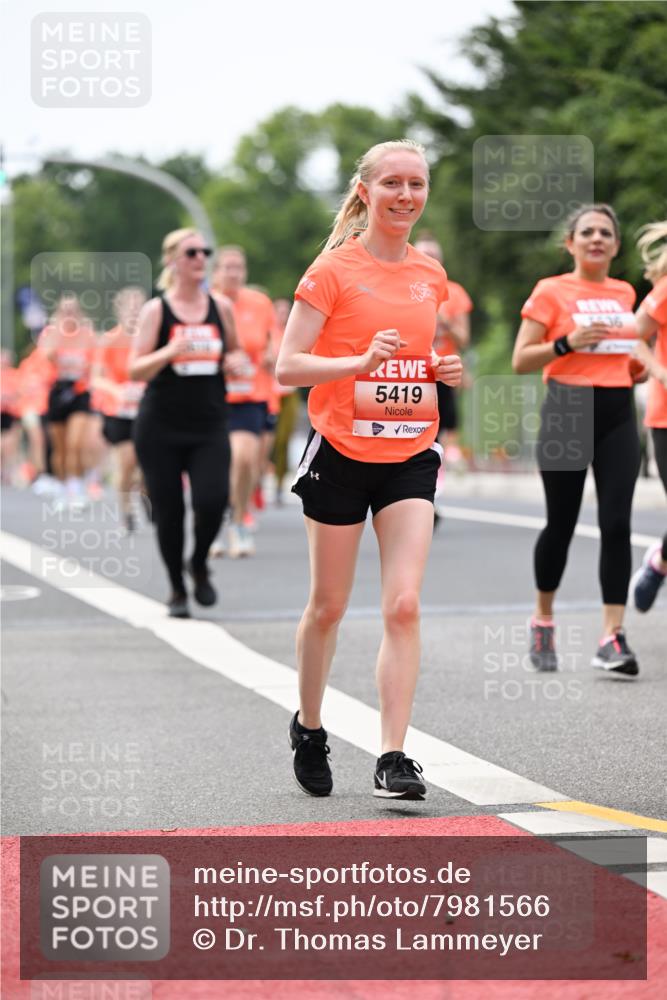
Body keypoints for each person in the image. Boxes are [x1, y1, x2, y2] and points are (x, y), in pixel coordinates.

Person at [276, 139, 463, 800]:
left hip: (409, 449)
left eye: (416, 184)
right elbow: (286, 366)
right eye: (392, 183)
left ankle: (393, 755)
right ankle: (309, 725)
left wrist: (442, 370)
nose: (405, 195)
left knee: (403, 604)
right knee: (327, 606)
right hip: (340, 450)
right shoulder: (332, 269)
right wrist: (353, 366)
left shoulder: (429, 275)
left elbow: (415, 356)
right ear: (365, 192)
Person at [512, 204, 642, 676]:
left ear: (616, 245)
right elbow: (521, 359)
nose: (596, 239)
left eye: (606, 232)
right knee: (561, 523)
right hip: (567, 408)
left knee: (617, 523)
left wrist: (637, 368)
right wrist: (568, 343)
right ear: (570, 243)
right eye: (586, 232)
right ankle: (543, 618)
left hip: (617, 412)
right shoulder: (551, 290)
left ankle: (612, 636)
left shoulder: (626, 292)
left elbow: (624, 357)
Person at [130, 228, 239, 618]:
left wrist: (234, 361)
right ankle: (177, 587)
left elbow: (236, 350)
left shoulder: (220, 307)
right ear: (172, 260)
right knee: (170, 511)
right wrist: (169, 351)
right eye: (191, 252)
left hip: (209, 422)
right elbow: (135, 369)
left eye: (204, 251)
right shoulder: (157, 311)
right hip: (160, 426)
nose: (200, 258)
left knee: (213, 500)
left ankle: (198, 564)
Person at [210, 247, 279, 557]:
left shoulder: (259, 303)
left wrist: (271, 354)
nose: (233, 273)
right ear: (216, 272)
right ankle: (213, 521)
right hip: (212, 395)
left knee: (246, 459)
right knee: (214, 464)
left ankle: (238, 520)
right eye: (227, 267)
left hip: (251, 394)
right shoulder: (207, 302)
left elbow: (274, 339)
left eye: (238, 267)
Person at [630, 220, 667, 611]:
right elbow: (633, 335)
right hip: (665, 417)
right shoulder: (665, 291)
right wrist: (659, 372)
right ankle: (658, 565)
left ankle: (660, 562)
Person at [413, 232, 473, 467]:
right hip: (410, 371)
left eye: (434, 256)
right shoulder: (400, 287)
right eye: (425, 255)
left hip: (442, 371)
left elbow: (464, 339)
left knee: (439, 434)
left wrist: (444, 321)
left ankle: (432, 491)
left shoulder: (454, 292)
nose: (430, 261)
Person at [92, 287, 147, 533]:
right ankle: (126, 514)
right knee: (126, 463)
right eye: (130, 308)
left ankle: (146, 493)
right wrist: (117, 390)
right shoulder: (110, 340)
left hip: (148, 410)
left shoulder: (152, 339)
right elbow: (96, 379)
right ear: (119, 311)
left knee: (148, 464)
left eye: (139, 307)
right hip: (119, 411)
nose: (135, 313)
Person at [40, 295, 97, 508]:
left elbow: (94, 362)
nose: (69, 315)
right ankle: (62, 488)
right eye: (65, 311)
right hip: (58, 390)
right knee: (60, 447)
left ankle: (76, 488)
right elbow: (47, 355)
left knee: (76, 443)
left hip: (79, 392)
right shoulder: (51, 333)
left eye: (73, 311)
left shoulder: (87, 334)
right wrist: (58, 333)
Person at [271, 297, 301, 505]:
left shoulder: (296, 332)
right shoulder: (267, 334)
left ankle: (279, 484)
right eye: (279, 311)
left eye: (286, 311)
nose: (283, 315)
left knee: (283, 441)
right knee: (267, 442)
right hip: (269, 393)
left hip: (289, 394)